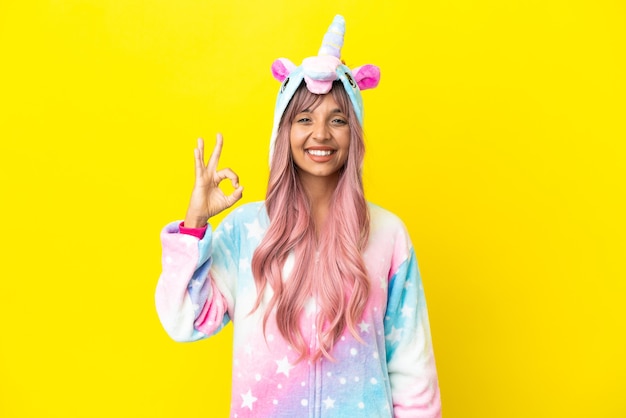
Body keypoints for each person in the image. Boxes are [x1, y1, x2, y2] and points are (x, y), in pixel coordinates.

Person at [155, 15, 441, 417]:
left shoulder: (388, 235)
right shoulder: (244, 232)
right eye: (304, 119)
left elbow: (414, 373)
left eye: (337, 120)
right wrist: (194, 225)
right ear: (282, 132)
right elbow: (183, 320)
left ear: (354, 133)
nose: (320, 134)